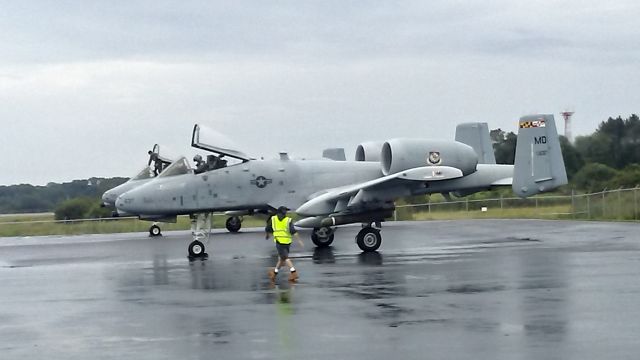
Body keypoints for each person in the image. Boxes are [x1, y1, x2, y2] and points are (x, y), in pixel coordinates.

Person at [266, 206, 304, 282]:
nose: (284, 214)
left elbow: (268, 229)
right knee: (281, 259)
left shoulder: (274, 219)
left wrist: (268, 235)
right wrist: (299, 240)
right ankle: (275, 273)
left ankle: (293, 272)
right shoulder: (287, 220)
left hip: (280, 241)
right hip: (287, 242)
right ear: (279, 213)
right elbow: (293, 231)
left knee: (285, 258)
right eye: (284, 212)